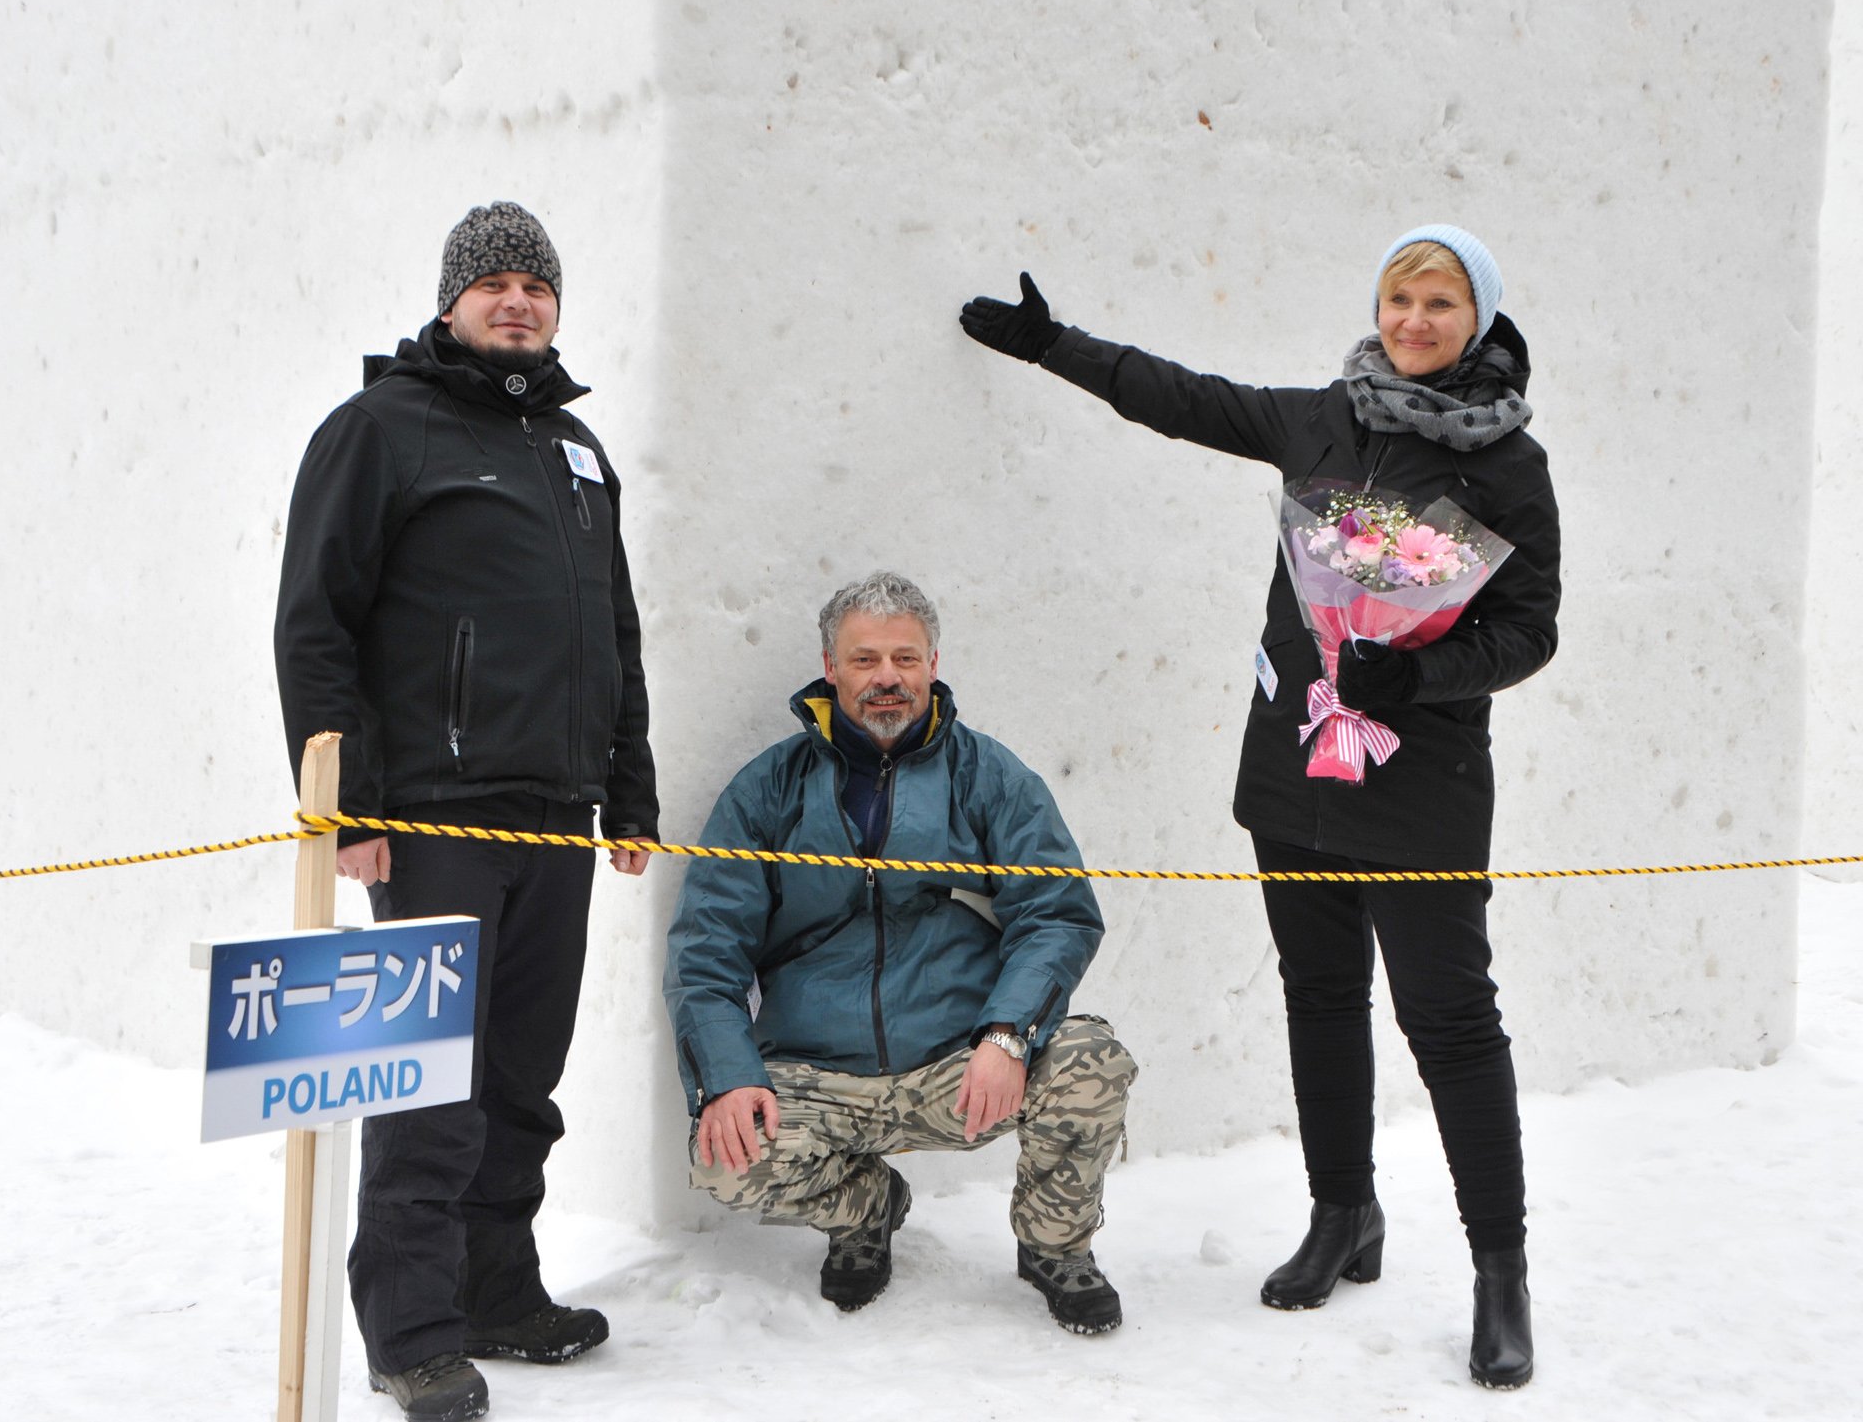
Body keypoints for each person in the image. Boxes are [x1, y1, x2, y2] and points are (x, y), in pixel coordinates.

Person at [960, 225, 1558, 1390]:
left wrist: (1418, 675)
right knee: (1320, 997)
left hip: (1421, 786)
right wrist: (1051, 345)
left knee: (1450, 1023)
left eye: (1440, 303)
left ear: (1477, 320)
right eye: (1399, 297)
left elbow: (1529, 630)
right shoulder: (1324, 418)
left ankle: (1501, 1274)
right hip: (1297, 772)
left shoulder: (1508, 464)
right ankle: (1344, 1214)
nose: (1415, 320)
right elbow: (1186, 400)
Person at [275, 201, 658, 1422]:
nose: (517, 300)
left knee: (522, 1077)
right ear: (451, 302)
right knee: (429, 1083)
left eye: (537, 285)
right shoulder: (382, 429)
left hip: (558, 816)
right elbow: (316, 621)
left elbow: (613, 632)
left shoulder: (575, 449)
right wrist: (350, 806)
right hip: (434, 815)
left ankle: (497, 1291)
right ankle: (411, 1334)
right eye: (493, 282)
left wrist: (629, 789)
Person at [663, 572, 1137, 1334]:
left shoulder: (988, 775)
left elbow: (1055, 913)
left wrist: (1006, 1034)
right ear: (830, 666)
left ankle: (1053, 1245)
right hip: (818, 1069)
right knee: (726, 1155)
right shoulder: (768, 788)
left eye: (905, 658)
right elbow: (706, 950)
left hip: (958, 1062)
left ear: (932, 664)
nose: (887, 676)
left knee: (1091, 1060)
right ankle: (867, 1209)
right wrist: (726, 1076)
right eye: (865, 659)